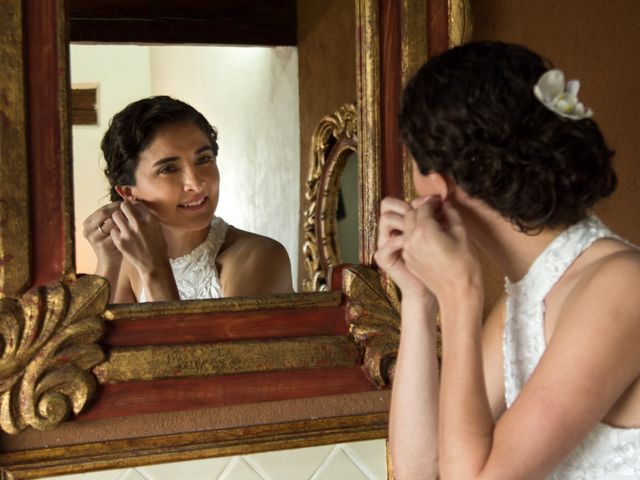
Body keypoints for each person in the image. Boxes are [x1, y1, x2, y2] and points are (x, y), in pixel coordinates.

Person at [376, 41, 640, 479]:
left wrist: (460, 295)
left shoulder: (620, 287)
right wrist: (418, 301)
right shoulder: (529, 298)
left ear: (439, 185)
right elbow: (420, 470)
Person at [83, 96, 293, 303]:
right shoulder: (127, 267)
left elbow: (198, 339)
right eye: (169, 169)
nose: (196, 183)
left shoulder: (260, 257)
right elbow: (94, 336)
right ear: (128, 193)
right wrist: (108, 262)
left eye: (203, 159)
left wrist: (155, 270)